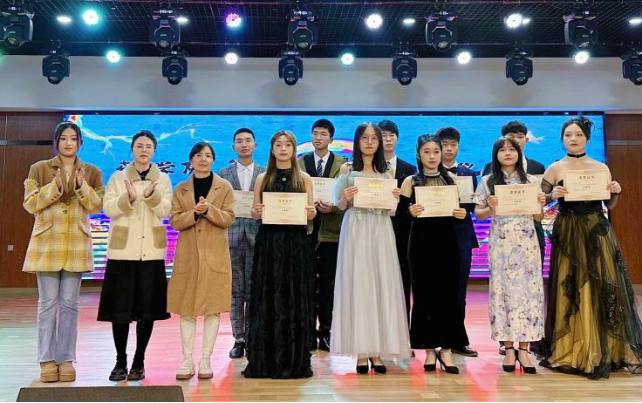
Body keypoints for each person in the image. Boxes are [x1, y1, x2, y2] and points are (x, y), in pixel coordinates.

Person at [541, 117, 642, 379]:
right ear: (562, 139)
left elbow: (609, 204)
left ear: (587, 138)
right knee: (571, 285)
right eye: (568, 135)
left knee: (603, 285)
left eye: (578, 135)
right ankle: (572, 349)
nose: (573, 139)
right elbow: (540, 200)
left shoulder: (600, 167)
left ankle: (605, 348)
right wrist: (552, 196)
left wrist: (615, 192)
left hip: (597, 230)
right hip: (568, 230)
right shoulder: (555, 168)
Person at [23, 121, 104, 383]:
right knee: (47, 304)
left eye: (73, 138)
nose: (69, 143)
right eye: (64, 138)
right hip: (47, 243)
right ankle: (46, 360)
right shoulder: (39, 168)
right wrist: (53, 187)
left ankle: (66, 358)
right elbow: (30, 204)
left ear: (80, 143)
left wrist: (81, 186)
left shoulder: (91, 171)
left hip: (76, 244)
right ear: (56, 142)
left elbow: (96, 206)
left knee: (70, 304)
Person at [331, 122, 412, 375]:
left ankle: (377, 350)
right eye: (364, 138)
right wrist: (347, 197)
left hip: (380, 229)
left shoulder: (387, 172)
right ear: (357, 141)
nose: (369, 142)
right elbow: (339, 205)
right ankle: (361, 351)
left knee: (380, 284)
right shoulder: (347, 169)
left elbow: (391, 210)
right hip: (356, 228)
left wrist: (394, 198)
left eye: (374, 138)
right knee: (358, 285)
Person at [98, 130, 173, 382]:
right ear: (132, 149)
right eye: (139, 146)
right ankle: (120, 360)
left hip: (151, 253)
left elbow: (166, 210)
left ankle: (139, 360)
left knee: (147, 311)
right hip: (123, 253)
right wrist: (127, 198)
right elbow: (108, 209)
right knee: (119, 310)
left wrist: (152, 197)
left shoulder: (163, 179)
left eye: (148, 146)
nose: (143, 150)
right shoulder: (118, 177)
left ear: (154, 151)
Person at [243, 131, 317, 379]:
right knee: (268, 295)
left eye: (288, 145)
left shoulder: (304, 178)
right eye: (278, 144)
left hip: (296, 244)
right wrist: (257, 211)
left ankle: (294, 360)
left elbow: (311, 212)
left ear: (294, 149)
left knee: (294, 296)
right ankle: (265, 360)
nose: (283, 148)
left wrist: (311, 212)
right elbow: (254, 212)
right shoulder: (263, 177)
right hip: (269, 243)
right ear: (272, 149)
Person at [474, 137, 547, 375]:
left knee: (529, 293)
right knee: (502, 292)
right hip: (501, 245)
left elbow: (538, 217)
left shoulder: (531, 181)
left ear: (518, 153)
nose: (507, 153)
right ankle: (508, 349)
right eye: (502, 150)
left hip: (527, 244)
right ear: (496, 155)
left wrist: (540, 204)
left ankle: (524, 349)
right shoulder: (487, 181)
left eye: (511, 149)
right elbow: (479, 214)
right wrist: (491, 207)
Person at [399, 135, 470, 375]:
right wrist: (409, 211)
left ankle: (446, 349)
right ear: (419, 154)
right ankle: (429, 350)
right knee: (424, 296)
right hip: (420, 244)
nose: (432, 156)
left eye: (436, 151)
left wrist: (462, 215)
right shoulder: (410, 181)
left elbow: (463, 211)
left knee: (448, 296)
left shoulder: (452, 180)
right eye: (426, 151)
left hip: (447, 243)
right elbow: (399, 216)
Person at [168, 142, 235, 381]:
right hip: (188, 255)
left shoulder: (224, 186)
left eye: (207, 155)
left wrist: (208, 210)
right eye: (198, 155)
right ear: (191, 160)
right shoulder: (181, 189)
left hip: (215, 254)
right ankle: (186, 359)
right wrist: (194, 213)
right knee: (186, 309)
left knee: (212, 308)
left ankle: (206, 359)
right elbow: (175, 221)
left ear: (213, 160)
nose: (203, 159)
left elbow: (229, 218)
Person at [298, 119, 347, 352]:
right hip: (305, 232)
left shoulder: (342, 164)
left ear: (331, 138)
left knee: (328, 285)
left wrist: (333, 207)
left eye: (323, 134)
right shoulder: (300, 163)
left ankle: (325, 332)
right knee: (306, 285)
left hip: (331, 234)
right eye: (315, 133)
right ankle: (307, 332)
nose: (318, 137)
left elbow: (346, 198)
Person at [218, 128, 266, 360]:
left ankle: (254, 337)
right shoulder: (223, 174)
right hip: (232, 238)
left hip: (258, 238)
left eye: (248, 141)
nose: (244, 144)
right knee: (235, 292)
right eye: (239, 141)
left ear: (255, 145)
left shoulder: (265, 173)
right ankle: (239, 339)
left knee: (255, 291)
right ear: (233, 146)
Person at [436, 127, 480, 358]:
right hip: (434, 237)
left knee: (459, 291)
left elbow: (474, 206)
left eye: (453, 144)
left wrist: (467, 210)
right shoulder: (426, 173)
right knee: (435, 290)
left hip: (461, 237)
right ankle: (435, 338)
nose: (449, 149)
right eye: (444, 145)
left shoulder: (468, 174)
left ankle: (457, 339)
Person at [378, 119, 417, 322]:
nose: (387, 139)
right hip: (374, 227)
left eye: (391, 135)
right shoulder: (367, 169)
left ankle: (403, 331)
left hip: (402, 232)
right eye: (383, 135)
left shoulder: (410, 170)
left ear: (397, 139)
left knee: (402, 281)